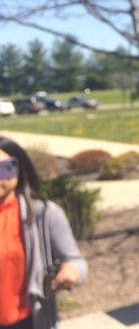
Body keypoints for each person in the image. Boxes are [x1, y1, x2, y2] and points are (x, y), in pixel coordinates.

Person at [0, 136, 88, 329]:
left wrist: (71, 272)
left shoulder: (44, 214)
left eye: (3, 169)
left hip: (26, 321)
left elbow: (78, 263)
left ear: (20, 169)